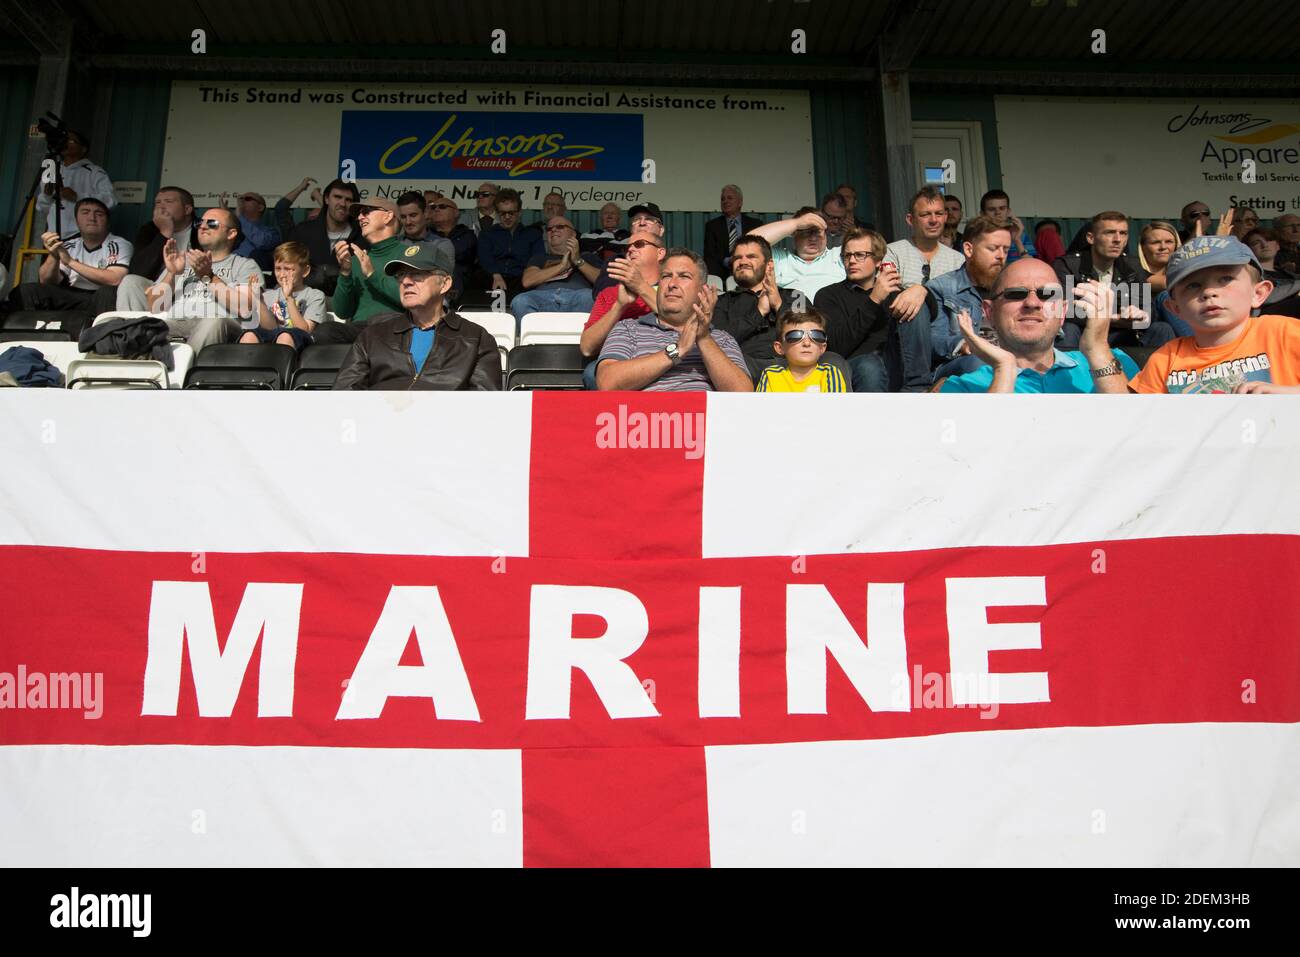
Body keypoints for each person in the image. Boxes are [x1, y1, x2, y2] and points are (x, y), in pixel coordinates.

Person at [938, 257, 1138, 394]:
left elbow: (1138, 434)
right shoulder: (962, 387)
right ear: (989, 312)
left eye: (1047, 295)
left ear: (1062, 312)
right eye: (1016, 294)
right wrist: (1004, 369)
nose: (1032, 303)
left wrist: (1098, 349)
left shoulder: (1114, 362)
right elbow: (975, 450)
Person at [1129, 236, 1300, 394]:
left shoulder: (1286, 333)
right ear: (1175, 309)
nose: (1209, 292)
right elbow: (1139, 420)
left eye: (1225, 279)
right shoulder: (1164, 359)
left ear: (1258, 293)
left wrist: (1289, 395)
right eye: (1193, 285)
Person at [333, 241, 501, 391]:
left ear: (445, 284)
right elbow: (344, 395)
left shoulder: (475, 339)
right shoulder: (373, 336)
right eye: (401, 275)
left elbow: (484, 407)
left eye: (416, 274)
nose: (405, 282)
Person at [596, 249, 752, 392]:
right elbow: (606, 382)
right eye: (666, 276)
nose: (672, 284)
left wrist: (703, 338)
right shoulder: (628, 328)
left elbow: (742, 395)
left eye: (684, 276)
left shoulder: (722, 338)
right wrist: (677, 351)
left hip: (701, 419)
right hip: (643, 419)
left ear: (702, 290)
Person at [816, 227, 931, 392]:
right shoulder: (828, 295)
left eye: (860, 255)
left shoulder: (896, 293)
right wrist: (874, 299)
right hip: (856, 368)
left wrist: (922, 290)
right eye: (847, 255)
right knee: (870, 366)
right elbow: (836, 346)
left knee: (915, 302)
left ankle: (917, 388)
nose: (852, 261)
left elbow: (930, 312)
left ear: (878, 260)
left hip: (896, 367)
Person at [1052, 210, 1175, 350]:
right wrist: (1111, 318)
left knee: (1162, 328)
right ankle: (1068, 372)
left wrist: (1138, 314)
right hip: (1083, 336)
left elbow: (1149, 311)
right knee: (1068, 329)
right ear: (1091, 238)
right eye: (1109, 233)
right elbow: (1062, 310)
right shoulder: (1067, 265)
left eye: (1123, 233)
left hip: (1122, 337)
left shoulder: (1132, 265)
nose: (1117, 239)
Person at [145, 206, 260, 353]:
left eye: (212, 223)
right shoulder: (182, 261)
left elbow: (245, 308)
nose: (203, 227)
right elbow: (154, 307)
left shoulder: (244, 265)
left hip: (218, 325)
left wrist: (209, 276)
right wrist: (171, 273)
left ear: (231, 233)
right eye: (200, 223)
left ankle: (190, 372)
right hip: (176, 323)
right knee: (136, 327)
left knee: (213, 321)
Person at [9, 198, 132, 330]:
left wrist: (70, 262)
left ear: (107, 222)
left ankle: (100, 339)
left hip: (100, 297)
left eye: (99, 214)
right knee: (27, 290)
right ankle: (26, 333)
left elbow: (115, 279)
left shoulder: (118, 244)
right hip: (72, 294)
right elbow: (46, 281)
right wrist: (54, 255)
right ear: (77, 221)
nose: (92, 218)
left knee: (107, 292)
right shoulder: (69, 245)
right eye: (85, 212)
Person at [914, 215, 1011, 381]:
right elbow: (931, 341)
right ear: (968, 249)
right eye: (993, 248)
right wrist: (964, 344)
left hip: (1009, 360)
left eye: (1006, 249)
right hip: (958, 364)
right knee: (978, 363)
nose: (1001, 256)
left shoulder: (1014, 288)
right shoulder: (941, 288)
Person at [580, 228, 663, 388]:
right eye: (628, 247)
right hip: (620, 359)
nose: (631, 249)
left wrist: (640, 286)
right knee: (593, 373)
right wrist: (619, 306)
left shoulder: (674, 287)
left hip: (662, 353)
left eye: (639, 244)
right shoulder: (610, 293)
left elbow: (684, 324)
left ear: (660, 253)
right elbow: (587, 348)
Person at [317, 197, 406, 345]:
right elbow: (342, 312)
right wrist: (345, 273)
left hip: (395, 326)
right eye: (359, 213)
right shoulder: (356, 260)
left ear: (388, 216)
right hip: (361, 329)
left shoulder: (410, 254)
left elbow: (413, 299)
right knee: (324, 332)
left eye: (366, 211)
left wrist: (372, 274)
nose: (360, 217)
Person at [710, 234, 799, 380]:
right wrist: (759, 312)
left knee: (833, 359)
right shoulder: (721, 302)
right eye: (738, 258)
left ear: (769, 265)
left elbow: (804, 336)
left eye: (751, 257)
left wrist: (778, 304)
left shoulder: (795, 296)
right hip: (741, 368)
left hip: (789, 366)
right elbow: (717, 343)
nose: (743, 262)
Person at [882, 186, 966, 328]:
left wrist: (924, 292)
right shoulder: (893, 252)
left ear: (945, 217)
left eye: (939, 213)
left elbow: (962, 304)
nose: (933, 220)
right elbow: (891, 300)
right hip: (906, 330)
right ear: (910, 219)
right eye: (925, 215)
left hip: (947, 335)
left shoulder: (958, 260)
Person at [274, 177, 363, 295]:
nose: (342, 203)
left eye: (348, 200)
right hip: (302, 302)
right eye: (337, 197)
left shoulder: (363, 236)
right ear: (326, 199)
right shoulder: (302, 231)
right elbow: (284, 267)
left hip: (345, 305)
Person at [509, 216, 601, 328]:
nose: (553, 230)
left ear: (573, 234)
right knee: (520, 301)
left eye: (560, 227)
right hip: (543, 298)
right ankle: (536, 343)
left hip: (578, 297)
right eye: (549, 229)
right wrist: (562, 266)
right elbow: (527, 281)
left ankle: (581, 343)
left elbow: (602, 281)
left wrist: (578, 261)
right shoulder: (539, 257)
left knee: (588, 297)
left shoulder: (587, 256)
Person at [117, 186, 199, 311]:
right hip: (155, 288)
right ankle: (129, 329)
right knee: (130, 281)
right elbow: (138, 271)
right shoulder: (149, 230)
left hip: (191, 288)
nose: (161, 206)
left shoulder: (202, 229)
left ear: (187, 209)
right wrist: (164, 232)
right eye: (158, 202)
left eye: (168, 202)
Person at [240, 241, 325, 353]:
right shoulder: (268, 295)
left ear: (305, 271)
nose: (282, 274)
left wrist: (289, 298)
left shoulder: (315, 296)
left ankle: (280, 370)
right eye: (278, 268)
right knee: (249, 335)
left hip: (301, 345)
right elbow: (270, 328)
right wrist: (258, 299)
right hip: (273, 340)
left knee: (285, 336)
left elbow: (305, 330)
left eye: (289, 269)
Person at [749, 207, 845, 302]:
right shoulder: (780, 258)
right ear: (793, 234)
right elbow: (749, 245)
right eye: (806, 232)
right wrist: (796, 223)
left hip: (832, 315)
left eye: (817, 232)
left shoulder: (838, 255)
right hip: (790, 315)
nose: (813, 238)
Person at [34, 128, 115, 238]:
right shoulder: (52, 170)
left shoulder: (95, 172)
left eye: (71, 141)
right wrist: (46, 195)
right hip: (54, 236)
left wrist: (77, 196)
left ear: (83, 149)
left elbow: (111, 200)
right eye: (64, 141)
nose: (65, 144)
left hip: (81, 236)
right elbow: (43, 208)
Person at [756, 309, 849, 392]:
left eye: (816, 335)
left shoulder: (829, 373)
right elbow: (763, 410)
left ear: (822, 348)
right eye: (795, 336)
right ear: (780, 348)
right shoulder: (771, 374)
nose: (807, 343)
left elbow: (834, 409)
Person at [478, 188, 542, 301]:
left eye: (511, 213)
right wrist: (496, 275)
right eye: (503, 213)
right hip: (492, 278)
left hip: (522, 280)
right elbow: (485, 258)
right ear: (497, 213)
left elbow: (538, 259)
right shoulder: (487, 234)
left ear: (520, 212)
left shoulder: (533, 234)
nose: (507, 217)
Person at [592, 203, 666, 297]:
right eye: (636, 219)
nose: (642, 223)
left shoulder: (673, 262)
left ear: (661, 230)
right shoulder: (616, 262)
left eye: (649, 219)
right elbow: (602, 297)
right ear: (631, 230)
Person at [703, 184, 763, 278]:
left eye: (730, 198)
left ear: (740, 202)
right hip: (721, 275)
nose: (725, 201)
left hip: (750, 273)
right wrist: (729, 261)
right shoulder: (712, 226)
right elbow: (710, 255)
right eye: (723, 199)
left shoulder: (755, 225)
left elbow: (760, 252)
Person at [426, 193, 477, 297]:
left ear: (456, 212)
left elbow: (464, 256)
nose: (436, 209)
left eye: (442, 207)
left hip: (461, 284)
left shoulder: (467, 234)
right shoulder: (425, 234)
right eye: (433, 207)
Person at [223, 191, 278, 271]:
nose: (241, 201)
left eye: (247, 199)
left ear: (260, 207)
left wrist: (239, 217)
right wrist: (224, 217)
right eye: (241, 199)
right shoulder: (233, 228)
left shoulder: (271, 231)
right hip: (228, 269)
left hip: (252, 274)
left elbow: (261, 242)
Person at [978, 189, 1034, 262]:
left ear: (1008, 212)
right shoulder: (974, 238)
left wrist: (1017, 240)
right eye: (991, 209)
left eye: (1002, 208)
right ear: (982, 214)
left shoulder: (1021, 236)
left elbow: (1032, 266)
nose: (998, 212)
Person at [1138, 221, 1180, 293]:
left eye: (1169, 242)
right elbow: (1166, 283)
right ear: (1143, 247)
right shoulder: (1133, 269)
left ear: (1176, 245)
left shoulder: (1183, 270)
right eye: (1155, 242)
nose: (1163, 247)